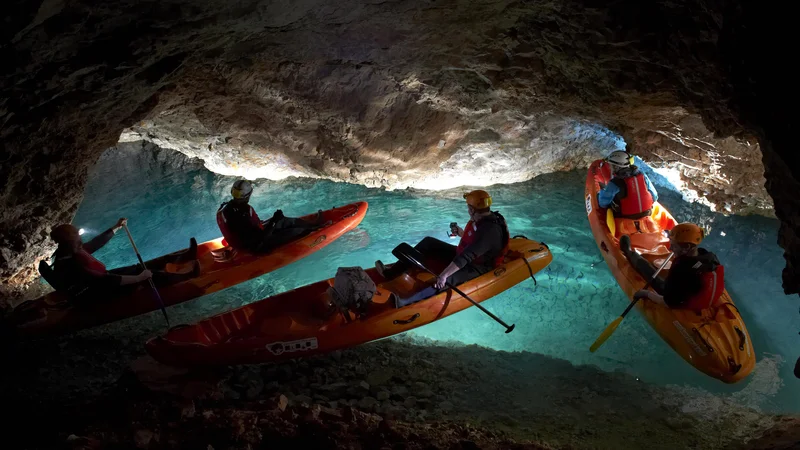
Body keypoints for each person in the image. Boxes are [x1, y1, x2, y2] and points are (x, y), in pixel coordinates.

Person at [375, 189, 510, 308]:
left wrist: (444, 275)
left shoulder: (489, 231)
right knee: (429, 242)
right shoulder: (483, 218)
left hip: (478, 266)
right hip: (467, 254)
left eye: (468, 206)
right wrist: (461, 233)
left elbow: (468, 256)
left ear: (472, 209)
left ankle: (404, 301)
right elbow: (475, 242)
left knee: (446, 279)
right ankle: (390, 273)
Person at [46, 219, 199, 302]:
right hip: (93, 294)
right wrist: (139, 278)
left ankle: (185, 256)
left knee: (138, 266)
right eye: (77, 238)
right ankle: (187, 276)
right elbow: (105, 280)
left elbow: (95, 243)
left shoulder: (68, 251)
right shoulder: (70, 265)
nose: (80, 239)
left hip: (98, 282)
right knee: (147, 276)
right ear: (69, 242)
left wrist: (116, 227)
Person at [622, 223, 725, 312]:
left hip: (681, 301)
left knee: (649, 272)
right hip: (697, 295)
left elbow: (668, 303)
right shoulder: (709, 257)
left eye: (674, 246)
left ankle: (628, 252)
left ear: (687, 247)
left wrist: (645, 293)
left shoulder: (680, 270)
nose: (670, 248)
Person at [216, 180, 327, 254]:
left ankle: (314, 224)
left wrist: (276, 221)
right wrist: (274, 221)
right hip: (256, 246)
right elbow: (260, 238)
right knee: (295, 231)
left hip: (247, 239)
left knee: (284, 221)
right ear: (247, 195)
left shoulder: (226, 208)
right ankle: (314, 229)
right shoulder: (243, 213)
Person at [598, 149, 659, 219]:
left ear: (616, 167)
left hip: (626, 216)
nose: (610, 167)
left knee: (600, 197)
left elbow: (603, 204)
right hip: (647, 213)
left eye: (611, 165)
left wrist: (603, 190)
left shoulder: (614, 183)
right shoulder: (642, 175)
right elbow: (655, 197)